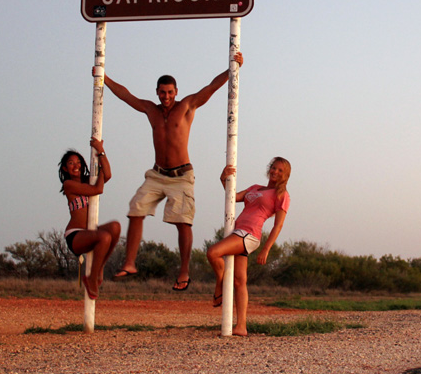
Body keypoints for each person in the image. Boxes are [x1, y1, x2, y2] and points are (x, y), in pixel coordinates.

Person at [103, 52, 243, 290]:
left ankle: (184, 272)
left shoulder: (187, 105)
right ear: (157, 92)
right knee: (136, 209)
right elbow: (126, 95)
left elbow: (210, 88)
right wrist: (104, 77)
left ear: (176, 92)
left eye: (170, 92)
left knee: (182, 222)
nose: (166, 96)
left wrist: (233, 68)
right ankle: (129, 262)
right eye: (162, 92)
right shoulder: (151, 110)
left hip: (181, 176)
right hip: (157, 174)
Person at [207, 157, 291, 336]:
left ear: (286, 175)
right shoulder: (255, 188)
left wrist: (266, 249)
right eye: (273, 168)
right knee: (239, 281)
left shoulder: (282, 195)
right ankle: (241, 326)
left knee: (213, 253)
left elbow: (278, 225)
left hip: (249, 235)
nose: (275, 172)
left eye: (280, 170)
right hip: (238, 232)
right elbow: (234, 197)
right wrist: (223, 179)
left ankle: (219, 285)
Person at [59, 138, 121, 300]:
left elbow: (108, 174)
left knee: (115, 227)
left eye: (78, 162)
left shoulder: (88, 180)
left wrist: (100, 150)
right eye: (71, 163)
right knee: (104, 237)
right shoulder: (68, 185)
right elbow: (98, 189)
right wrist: (99, 171)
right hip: (76, 235)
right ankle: (91, 277)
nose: (76, 166)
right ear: (65, 168)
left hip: (90, 232)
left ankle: (99, 269)